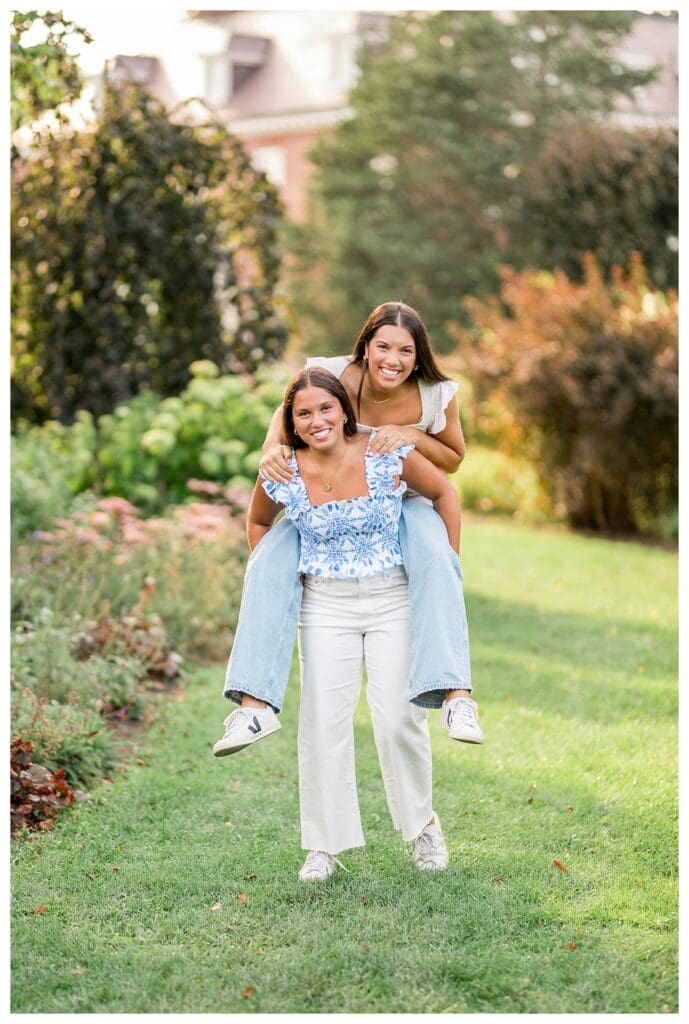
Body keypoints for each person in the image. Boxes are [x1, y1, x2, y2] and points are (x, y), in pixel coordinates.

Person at [213, 300, 483, 758]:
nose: (392, 360)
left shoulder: (437, 394)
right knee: (265, 561)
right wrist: (271, 451)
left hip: (405, 495)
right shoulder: (333, 374)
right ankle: (254, 706)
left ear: (419, 356)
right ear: (365, 346)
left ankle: (456, 695)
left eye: (405, 351)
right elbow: (286, 416)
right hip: (327, 494)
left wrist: (411, 434)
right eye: (383, 346)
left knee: (437, 557)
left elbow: (453, 463)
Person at [242, 368, 461, 879]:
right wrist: (278, 577)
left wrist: (446, 566)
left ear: (344, 409)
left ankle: (423, 827)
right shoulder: (283, 469)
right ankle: (324, 845)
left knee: (397, 720)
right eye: (303, 413)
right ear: (291, 423)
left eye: (325, 408)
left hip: (392, 598)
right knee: (323, 722)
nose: (317, 420)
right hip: (324, 607)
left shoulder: (385, 451)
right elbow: (257, 522)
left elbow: (445, 491)